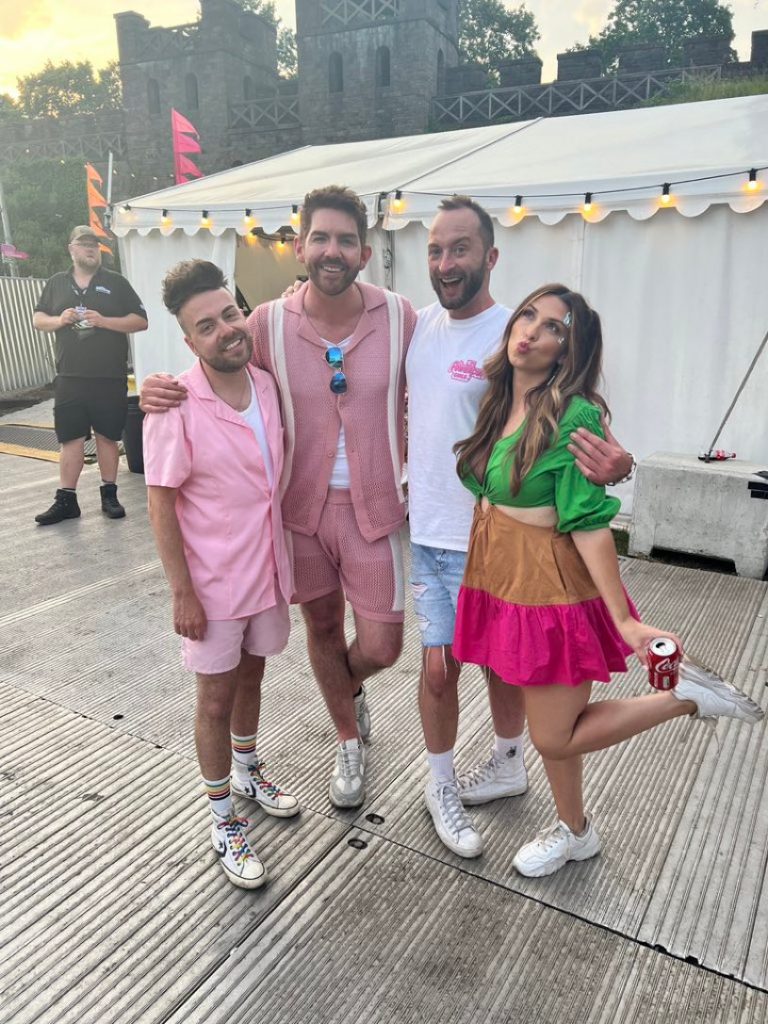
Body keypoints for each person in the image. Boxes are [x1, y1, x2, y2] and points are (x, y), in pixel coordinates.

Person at [451, 283, 763, 877]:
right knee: (554, 724)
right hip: (503, 580)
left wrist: (622, 618)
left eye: (553, 330)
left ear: (570, 352)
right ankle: (575, 831)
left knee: (555, 736)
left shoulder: (575, 414)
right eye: (528, 317)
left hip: (550, 591)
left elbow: (590, 522)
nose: (531, 333)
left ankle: (679, 699)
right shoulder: (501, 399)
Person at [141, 186, 417, 810]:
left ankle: (349, 690)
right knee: (320, 623)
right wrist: (158, 388)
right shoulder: (266, 322)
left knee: (382, 645)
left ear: (365, 252)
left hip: (373, 510)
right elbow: (214, 360)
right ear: (299, 246)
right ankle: (346, 738)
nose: (332, 250)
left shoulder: (400, 316)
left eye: (346, 239)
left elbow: (447, 381)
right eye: (320, 237)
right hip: (300, 514)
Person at [406, 196, 633, 859]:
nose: (447, 263)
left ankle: (514, 769)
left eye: (461, 249)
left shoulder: (522, 338)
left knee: (520, 684)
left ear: (490, 257)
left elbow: (588, 443)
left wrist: (619, 467)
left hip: (517, 554)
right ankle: (445, 783)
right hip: (440, 535)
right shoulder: (421, 330)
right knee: (443, 670)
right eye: (436, 250)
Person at [143, 260, 298, 889]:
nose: (225, 331)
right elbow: (160, 502)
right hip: (211, 583)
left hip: (267, 567)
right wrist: (181, 590)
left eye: (230, 315)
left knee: (254, 673)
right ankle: (221, 816)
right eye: (206, 326)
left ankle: (247, 767)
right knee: (213, 696)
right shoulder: (175, 405)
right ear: (188, 341)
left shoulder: (266, 384)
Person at [32, 225, 148, 525]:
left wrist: (105, 321)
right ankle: (66, 499)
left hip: (109, 376)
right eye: (84, 245)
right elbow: (38, 318)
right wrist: (60, 319)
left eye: (95, 245)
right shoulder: (57, 283)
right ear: (71, 249)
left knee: (107, 436)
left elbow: (140, 320)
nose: (90, 249)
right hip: (70, 376)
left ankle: (109, 494)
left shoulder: (116, 282)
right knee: (69, 438)